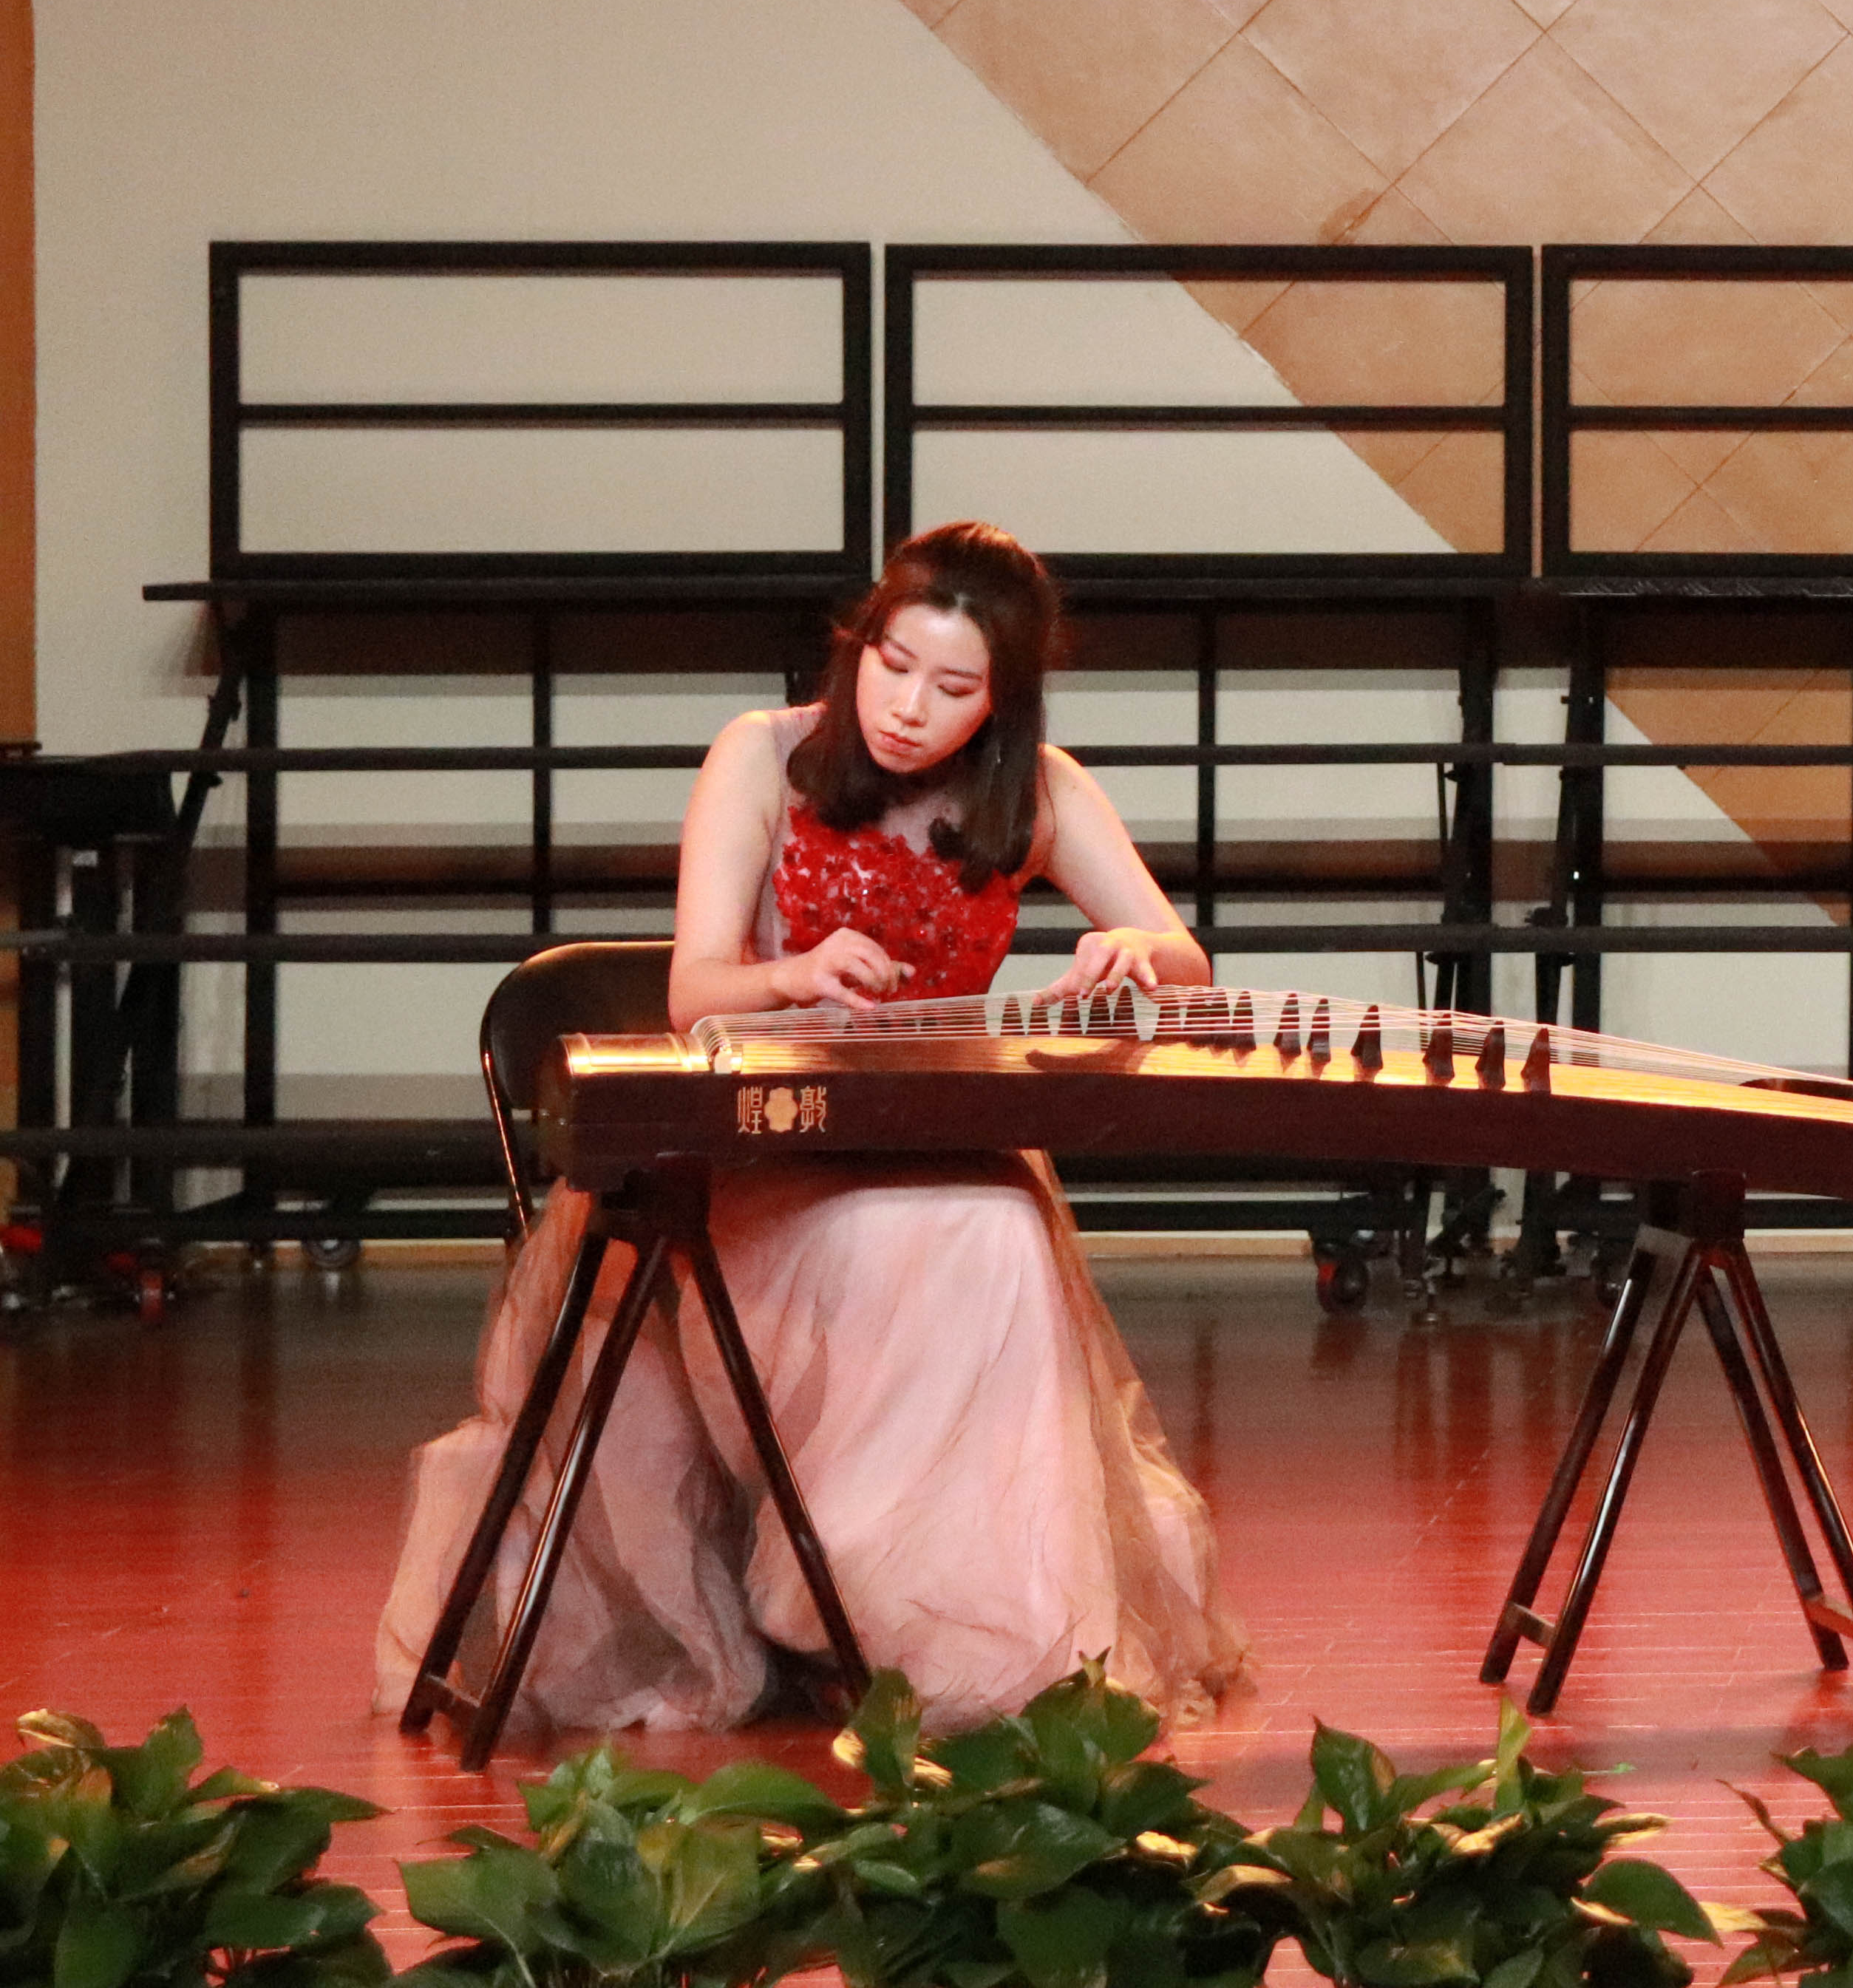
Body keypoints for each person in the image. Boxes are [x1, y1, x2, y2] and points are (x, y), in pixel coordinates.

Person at [375, 522, 1251, 1735]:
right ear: (858, 645)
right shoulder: (764, 755)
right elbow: (695, 991)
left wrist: (1137, 951)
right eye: (893, 665)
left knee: (994, 1221)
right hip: (763, 1148)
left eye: (954, 689)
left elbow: (1185, 959)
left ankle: (967, 1645)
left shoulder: (1040, 790)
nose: (909, 708)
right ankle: (859, 1599)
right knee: (969, 1234)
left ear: (1001, 701)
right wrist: (793, 977)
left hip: (938, 1143)